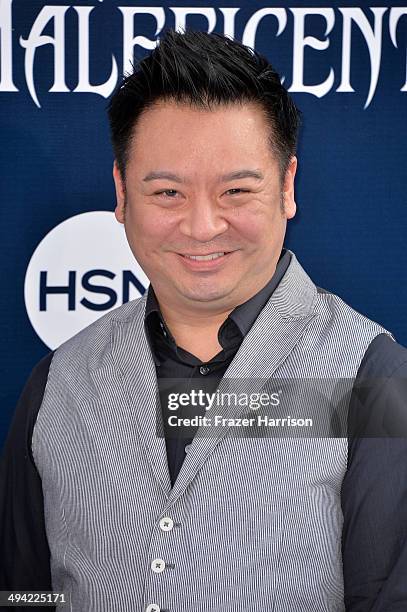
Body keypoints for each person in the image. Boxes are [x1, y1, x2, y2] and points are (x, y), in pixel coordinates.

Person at [1, 28, 407, 612]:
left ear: (288, 186)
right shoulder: (58, 383)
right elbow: (23, 592)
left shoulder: (374, 382)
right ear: (121, 193)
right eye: (167, 193)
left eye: (236, 191)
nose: (201, 226)